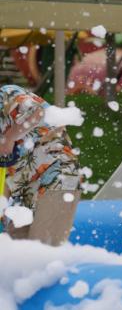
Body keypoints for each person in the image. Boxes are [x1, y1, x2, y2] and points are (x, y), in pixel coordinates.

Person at [0, 84, 81, 244]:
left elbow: (40, 111)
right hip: (23, 193)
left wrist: (9, 137)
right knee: (15, 254)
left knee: (44, 250)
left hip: (58, 178)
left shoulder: (6, 94)